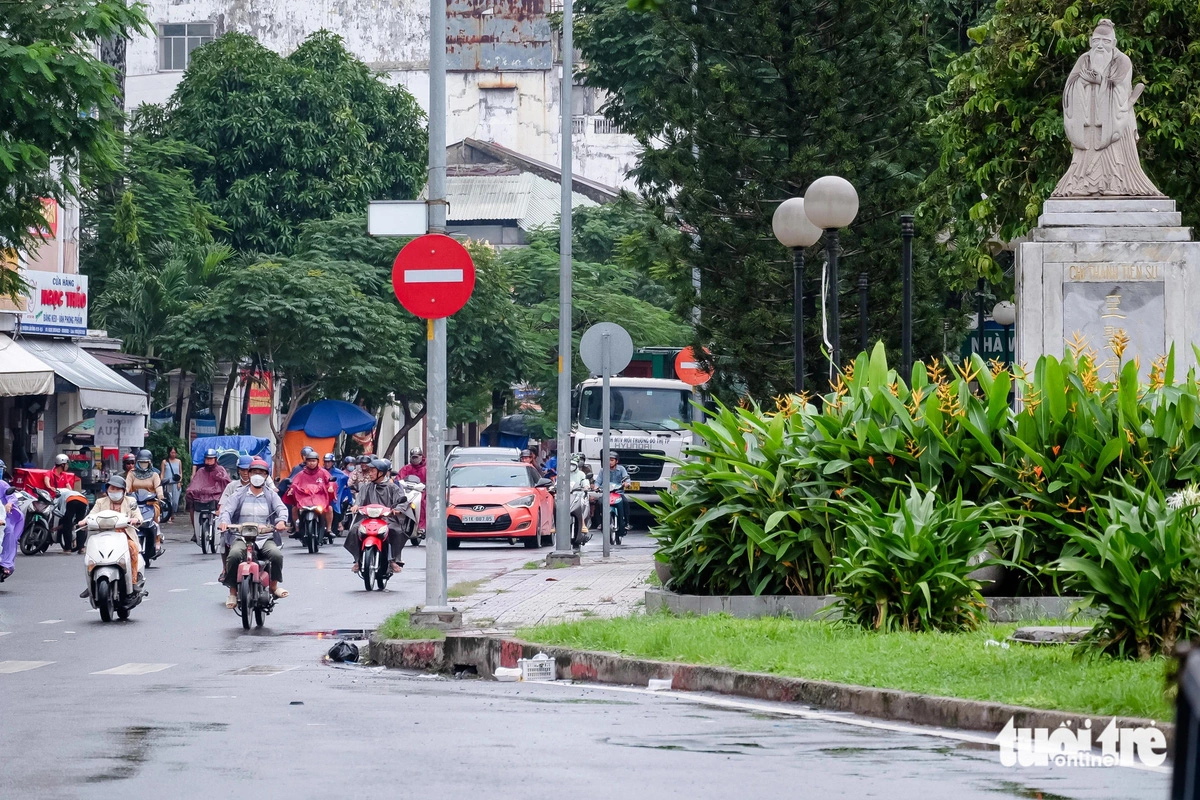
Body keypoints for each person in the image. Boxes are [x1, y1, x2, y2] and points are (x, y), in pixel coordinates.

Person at [218, 458, 288, 608]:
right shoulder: (238, 494)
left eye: (262, 473)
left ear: (266, 476)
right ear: (248, 474)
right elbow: (227, 511)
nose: (258, 475)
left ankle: (274, 586)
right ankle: (232, 592)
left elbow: (281, 509)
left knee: (276, 555)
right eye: (254, 472)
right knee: (234, 555)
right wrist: (224, 522)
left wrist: (281, 521)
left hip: (264, 537)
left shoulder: (271, 495)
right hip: (241, 537)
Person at [344, 458, 406, 576]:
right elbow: (359, 499)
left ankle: (393, 559)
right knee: (354, 530)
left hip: (387, 519)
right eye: (370, 471)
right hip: (367, 519)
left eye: (372, 471)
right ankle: (358, 559)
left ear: (381, 473)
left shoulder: (392, 487)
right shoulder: (366, 487)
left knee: (397, 531)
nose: (370, 474)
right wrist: (356, 506)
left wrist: (397, 509)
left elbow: (402, 501)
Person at [79, 474, 144, 584]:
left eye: (118, 489)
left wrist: (135, 520)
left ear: (123, 491)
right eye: (112, 488)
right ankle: (91, 583)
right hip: (103, 537)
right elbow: (91, 515)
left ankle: (133, 582)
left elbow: (138, 517)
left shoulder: (131, 501)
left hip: (124, 536)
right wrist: (84, 521)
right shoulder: (100, 502)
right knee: (91, 556)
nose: (114, 491)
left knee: (132, 549)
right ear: (107, 489)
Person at [285, 446, 334, 537]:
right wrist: (291, 490)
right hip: (304, 498)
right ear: (306, 462)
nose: (311, 463)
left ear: (317, 462)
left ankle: (329, 529)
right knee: (295, 509)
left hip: (320, 498)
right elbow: (294, 483)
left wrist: (330, 487)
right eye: (309, 461)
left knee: (329, 508)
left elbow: (330, 481)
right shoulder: (301, 473)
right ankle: (297, 529)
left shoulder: (323, 472)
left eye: (313, 461)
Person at [186, 448, 231, 542]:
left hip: (216, 498)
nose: (209, 461)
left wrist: (221, 479)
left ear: (215, 459)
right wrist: (192, 491)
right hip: (201, 497)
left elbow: (227, 485)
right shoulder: (201, 471)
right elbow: (195, 484)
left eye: (211, 459)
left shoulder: (220, 470)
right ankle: (196, 531)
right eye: (207, 459)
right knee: (191, 505)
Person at [46, 453, 87, 552]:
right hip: (82, 499)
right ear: (62, 464)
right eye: (67, 464)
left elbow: (68, 488)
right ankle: (81, 547)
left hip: (70, 500)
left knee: (67, 523)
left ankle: (67, 548)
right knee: (80, 523)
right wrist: (51, 487)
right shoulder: (50, 473)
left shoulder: (64, 476)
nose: (68, 466)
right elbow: (47, 483)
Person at [0, 460, 24, 580]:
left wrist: (9, 504)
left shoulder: (3, 485)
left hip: (3, 516)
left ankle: (6, 562)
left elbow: (11, 498)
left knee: (8, 531)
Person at [396, 448, 427, 536]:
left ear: (421, 457)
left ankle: (422, 526)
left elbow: (432, 481)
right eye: (413, 457)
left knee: (423, 503)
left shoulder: (426, 468)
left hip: (421, 492)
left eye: (416, 457)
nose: (414, 459)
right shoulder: (406, 468)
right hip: (408, 491)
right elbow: (398, 478)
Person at [325, 454, 351, 537]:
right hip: (321, 495)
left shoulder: (340, 474)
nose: (327, 464)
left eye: (329, 462)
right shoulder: (321, 471)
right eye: (325, 462)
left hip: (335, 496)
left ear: (332, 462)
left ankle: (333, 528)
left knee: (338, 506)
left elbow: (347, 483)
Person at [606, 452, 631, 538]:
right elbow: (598, 481)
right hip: (607, 494)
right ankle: (600, 523)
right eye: (608, 460)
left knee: (625, 502)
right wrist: (596, 486)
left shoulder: (622, 469)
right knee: (599, 502)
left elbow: (627, 478)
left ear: (616, 461)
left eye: (612, 460)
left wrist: (626, 483)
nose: (610, 462)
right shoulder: (603, 470)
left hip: (618, 494)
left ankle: (627, 523)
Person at [160, 447, 183, 521]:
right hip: (168, 483)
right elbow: (162, 473)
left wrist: (179, 482)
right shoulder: (165, 462)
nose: (173, 454)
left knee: (175, 502)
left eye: (174, 452)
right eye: (171, 452)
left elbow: (180, 472)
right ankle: (168, 516)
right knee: (169, 499)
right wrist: (161, 482)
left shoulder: (178, 461)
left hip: (176, 483)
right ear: (169, 453)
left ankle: (172, 513)